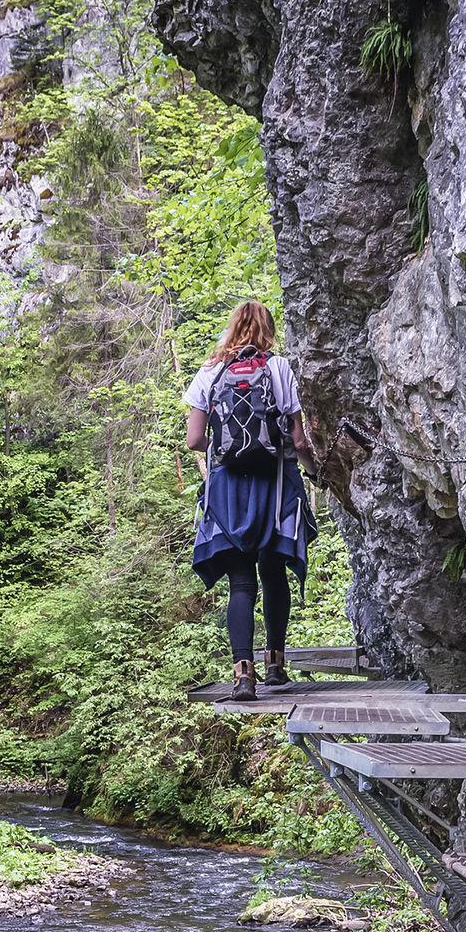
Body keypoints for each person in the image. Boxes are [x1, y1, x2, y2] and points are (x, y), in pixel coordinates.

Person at [185, 300, 317, 700]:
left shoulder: (209, 372)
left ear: (232, 328)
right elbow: (296, 438)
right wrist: (312, 468)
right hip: (273, 482)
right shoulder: (279, 369)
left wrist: (225, 451)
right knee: (273, 573)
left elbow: (193, 439)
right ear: (267, 330)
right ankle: (275, 663)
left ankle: (244, 675)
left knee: (241, 583)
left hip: (227, 488)